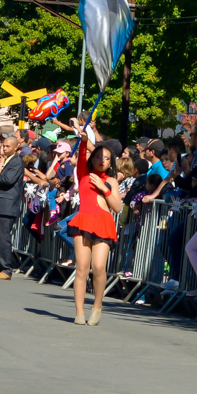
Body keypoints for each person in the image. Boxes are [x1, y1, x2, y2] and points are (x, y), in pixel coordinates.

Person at [67, 121, 120, 325]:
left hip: (103, 224)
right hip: (83, 221)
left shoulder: (112, 181)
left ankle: (97, 306)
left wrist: (105, 188)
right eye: (98, 156)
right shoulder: (84, 174)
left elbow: (117, 207)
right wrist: (83, 141)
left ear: (110, 162)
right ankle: (79, 312)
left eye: (106, 158)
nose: (102, 161)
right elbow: (81, 157)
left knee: (98, 266)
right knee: (82, 268)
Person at [0, 130, 26, 279]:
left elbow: (7, 180)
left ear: (15, 147)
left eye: (8, 146)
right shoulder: (8, 160)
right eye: (3, 146)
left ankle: (6, 269)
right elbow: (1, 181)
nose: (5, 149)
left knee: (3, 237)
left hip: (7, 205)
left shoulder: (17, 162)